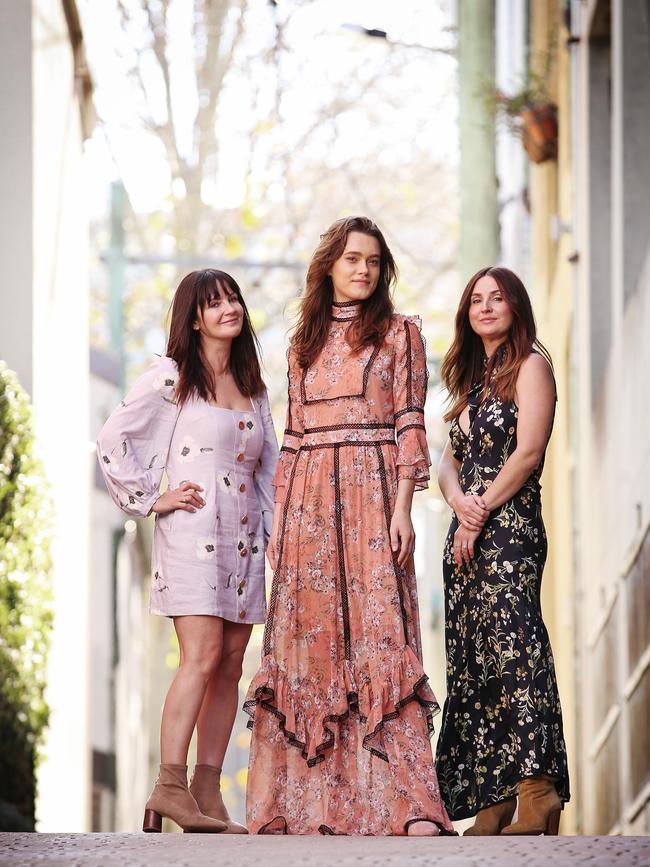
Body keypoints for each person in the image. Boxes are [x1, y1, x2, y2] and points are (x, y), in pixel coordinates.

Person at [243, 216, 454, 836]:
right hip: (307, 500)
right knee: (310, 646)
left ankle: (409, 805)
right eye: (352, 258)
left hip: (370, 496)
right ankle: (301, 808)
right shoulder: (302, 342)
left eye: (373, 260)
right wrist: (280, 522)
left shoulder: (399, 333)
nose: (363, 269)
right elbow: (293, 438)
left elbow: (410, 425)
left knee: (381, 640)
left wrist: (402, 508)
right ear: (329, 265)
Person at [97, 269, 278, 833]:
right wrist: (152, 498)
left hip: (244, 541)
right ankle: (169, 786)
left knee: (229, 664)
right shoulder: (170, 377)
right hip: (191, 537)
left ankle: (206, 789)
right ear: (193, 317)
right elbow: (112, 439)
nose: (228, 308)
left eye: (233, 299)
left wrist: (280, 541)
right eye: (214, 302)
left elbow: (270, 469)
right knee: (200, 656)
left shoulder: (254, 384)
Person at [434, 266, 570, 836]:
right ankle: (493, 798)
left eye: (497, 298)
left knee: (515, 649)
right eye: (476, 300)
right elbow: (448, 458)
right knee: (474, 659)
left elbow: (529, 450)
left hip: (509, 527)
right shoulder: (471, 381)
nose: (486, 307)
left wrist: (480, 509)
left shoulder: (530, 366)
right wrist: (459, 501)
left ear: (515, 306)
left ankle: (537, 790)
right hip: (469, 528)